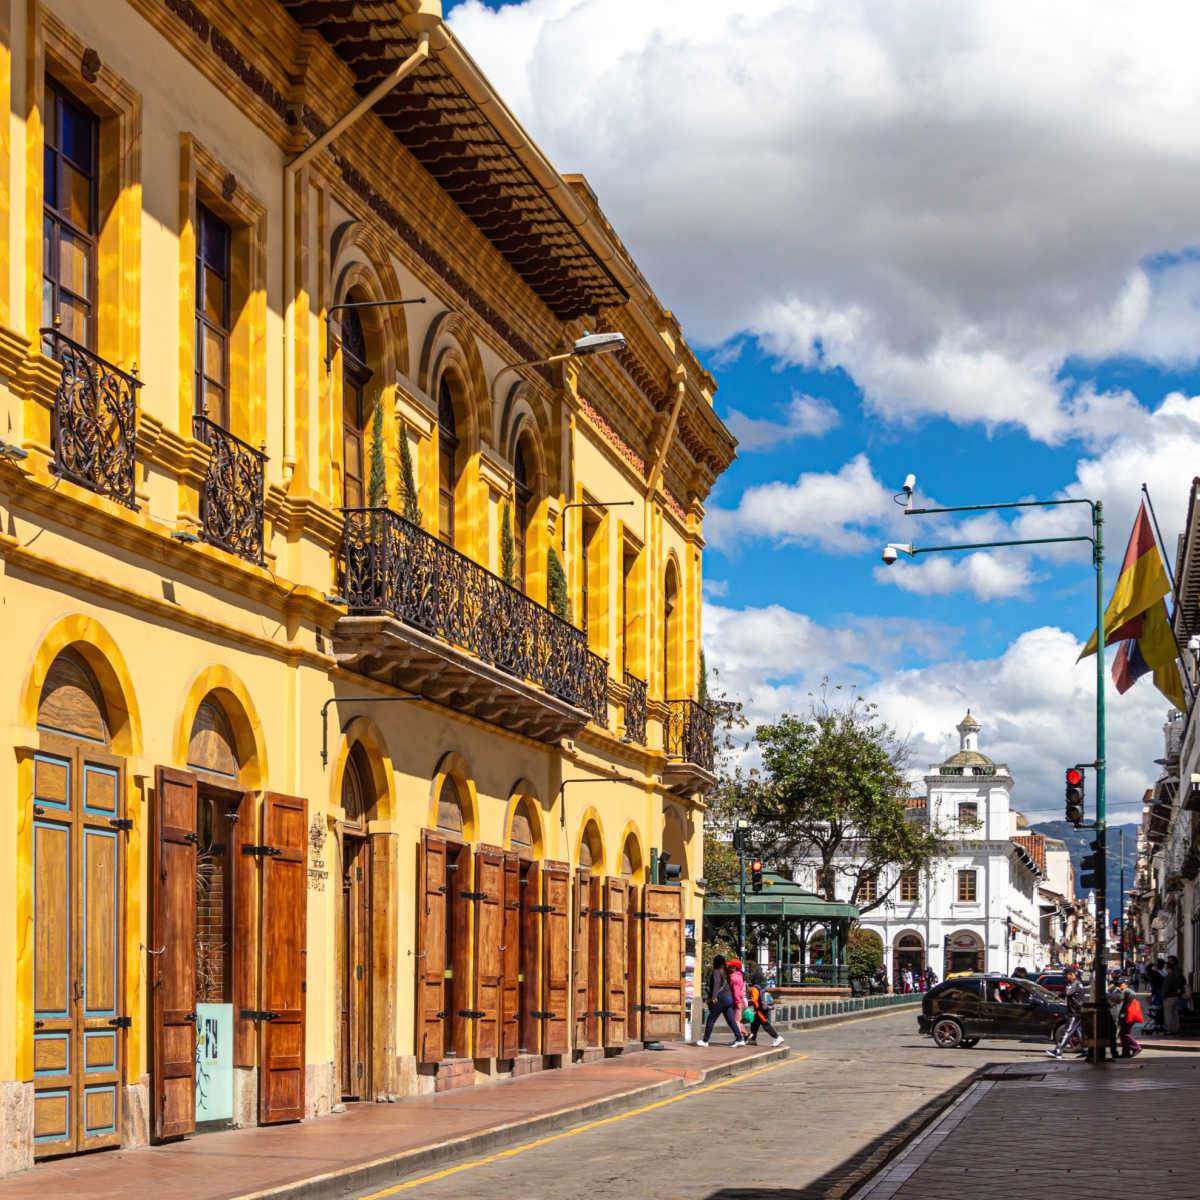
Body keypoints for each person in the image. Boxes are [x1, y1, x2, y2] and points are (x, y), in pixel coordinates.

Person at [696, 955, 745, 1047]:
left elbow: (716, 983)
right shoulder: (726, 972)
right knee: (731, 1020)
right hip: (729, 998)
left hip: (721, 998)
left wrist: (714, 996)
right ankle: (739, 1039)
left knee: (711, 1019)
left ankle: (705, 1041)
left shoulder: (716, 971)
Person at [1046, 966, 1083, 1059]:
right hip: (1077, 1010)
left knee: (1068, 1031)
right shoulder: (1076, 982)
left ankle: (1058, 1051)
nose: (1065, 978)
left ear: (1072, 975)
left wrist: (1058, 995)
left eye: (1066, 976)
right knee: (1079, 1031)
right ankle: (1087, 1050)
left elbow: (1067, 992)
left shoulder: (1075, 983)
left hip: (1074, 1012)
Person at [745, 973, 785, 1047]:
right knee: (754, 1023)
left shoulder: (754, 988)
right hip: (763, 1009)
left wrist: (746, 1003)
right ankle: (753, 1040)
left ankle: (777, 1037)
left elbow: (754, 1000)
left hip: (760, 1010)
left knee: (765, 1024)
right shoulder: (761, 987)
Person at [1116, 977, 1143, 1058]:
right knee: (1123, 1034)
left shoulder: (1126, 991)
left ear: (1126, 984)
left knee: (1124, 1033)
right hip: (1127, 1015)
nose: (1120, 985)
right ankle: (1126, 1053)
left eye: (1121, 984)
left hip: (1126, 1016)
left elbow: (1118, 1000)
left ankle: (1136, 1047)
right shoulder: (1128, 991)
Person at [727, 957, 750, 1039]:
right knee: (736, 1020)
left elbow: (736, 992)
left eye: (730, 966)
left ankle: (739, 1039)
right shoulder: (740, 975)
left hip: (739, 1000)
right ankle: (746, 1034)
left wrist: (737, 1003)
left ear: (735, 967)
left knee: (735, 1021)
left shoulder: (734, 978)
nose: (728, 967)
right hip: (743, 1000)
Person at [1162, 957, 1184, 1036]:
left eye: (1167, 968)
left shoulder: (1169, 977)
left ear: (1169, 969)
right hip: (1176, 997)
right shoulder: (1176, 976)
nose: (1166, 970)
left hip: (1169, 997)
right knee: (1175, 1014)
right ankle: (1176, 1029)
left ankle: (1168, 1029)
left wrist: (1163, 996)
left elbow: (1166, 988)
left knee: (1168, 1014)